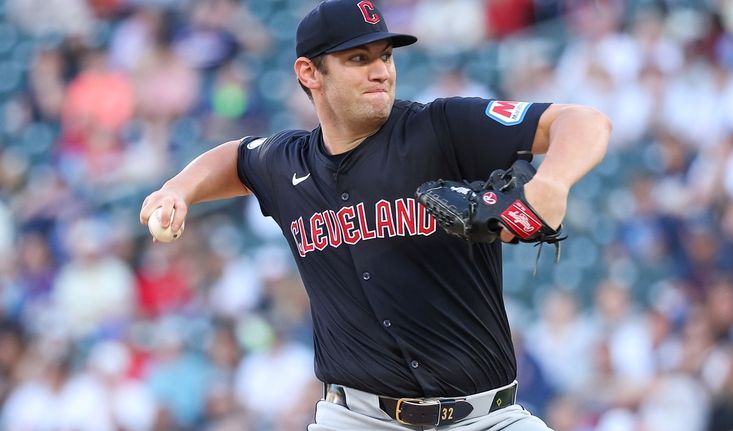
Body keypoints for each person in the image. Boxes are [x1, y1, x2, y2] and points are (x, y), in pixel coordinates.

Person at [139, 1, 611, 429]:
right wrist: (177, 189)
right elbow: (237, 157)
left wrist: (552, 183)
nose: (380, 71)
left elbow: (583, 121)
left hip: (485, 417)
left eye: (385, 55)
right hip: (357, 419)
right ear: (309, 72)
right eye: (358, 59)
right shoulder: (289, 164)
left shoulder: (441, 128)